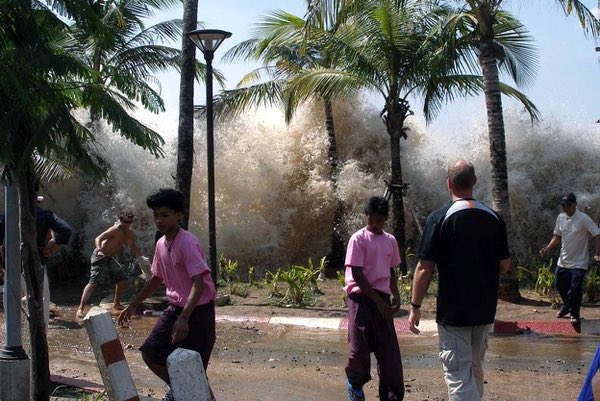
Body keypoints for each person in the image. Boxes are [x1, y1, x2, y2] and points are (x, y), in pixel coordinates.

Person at [408, 160, 510, 401]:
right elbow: (505, 265)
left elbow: (425, 267)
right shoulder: (494, 218)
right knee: (474, 368)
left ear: (449, 184)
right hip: (484, 310)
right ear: (475, 182)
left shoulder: (439, 218)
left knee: (457, 374)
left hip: (454, 312)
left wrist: (415, 307)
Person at [118, 188, 217, 401]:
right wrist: (133, 304)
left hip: (197, 312)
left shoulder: (187, 242)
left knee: (194, 369)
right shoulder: (161, 243)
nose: (159, 220)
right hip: (175, 309)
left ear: (179, 215)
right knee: (151, 353)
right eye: (156, 215)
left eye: (165, 215)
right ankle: (183, 390)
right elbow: (156, 278)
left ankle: (191, 390)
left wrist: (184, 319)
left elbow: (198, 285)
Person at [343, 196, 404, 401]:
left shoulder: (390, 240)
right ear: (366, 216)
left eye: (379, 219)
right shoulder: (358, 239)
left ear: (386, 218)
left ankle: (391, 395)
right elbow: (357, 274)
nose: (374, 223)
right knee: (359, 348)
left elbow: (390, 270)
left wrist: (395, 294)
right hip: (361, 298)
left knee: (389, 353)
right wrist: (378, 302)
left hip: (383, 298)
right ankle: (354, 384)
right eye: (371, 219)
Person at [0, 191, 72, 327]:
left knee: (13, 303)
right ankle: (40, 336)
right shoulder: (45, 215)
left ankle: (15, 336)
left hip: (12, 265)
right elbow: (66, 230)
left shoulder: (7, 217)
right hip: (35, 264)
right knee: (41, 301)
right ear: (35, 202)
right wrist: (50, 247)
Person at [76, 209, 150, 319]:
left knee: (122, 280)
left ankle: (116, 304)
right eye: (125, 222)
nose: (127, 224)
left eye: (130, 222)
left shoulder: (128, 232)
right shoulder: (115, 229)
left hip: (111, 258)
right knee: (93, 282)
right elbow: (99, 238)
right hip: (100, 256)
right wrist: (99, 248)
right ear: (121, 220)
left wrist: (141, 257)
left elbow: (132, 245)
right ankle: (80, 308)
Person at [539, 193, 600, 324]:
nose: (565, 207)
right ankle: (567, 306)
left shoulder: (584, 219)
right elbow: (557, 236)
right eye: (563, 205)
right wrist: (548, 248)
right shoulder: (560, 217)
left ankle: (575, 314)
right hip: (564, 260)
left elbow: (597, 234)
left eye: (568, 205)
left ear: (575, 205)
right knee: (560, 285)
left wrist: (597, 253)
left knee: (576, 288)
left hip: (580, 262)